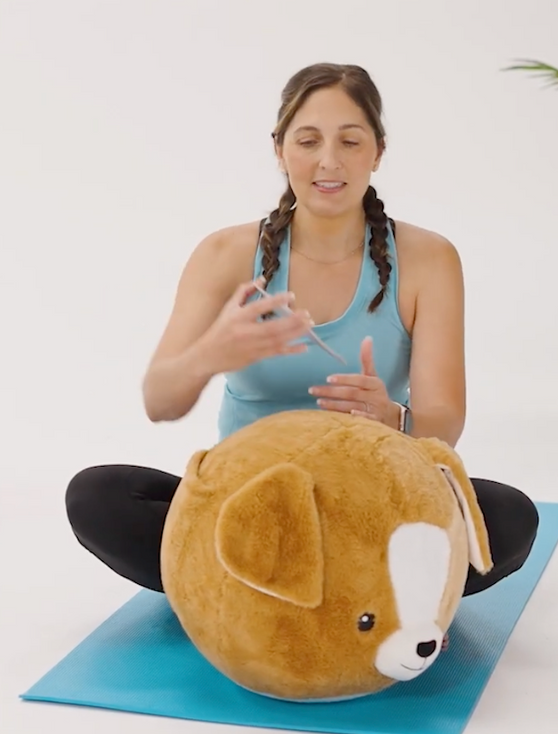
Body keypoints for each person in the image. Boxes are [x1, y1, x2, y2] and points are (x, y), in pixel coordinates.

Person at [65, 63, 540, 621]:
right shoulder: (224, 254)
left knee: (509, 516)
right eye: (308, 140)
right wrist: (211, 354)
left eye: (350, 141)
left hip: (368, 511)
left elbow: (445, 422)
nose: (329, 162)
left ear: (378, 152)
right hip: (244, 510)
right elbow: (160, 400)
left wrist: (393, 418)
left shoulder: (430, 259)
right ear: (280, 149)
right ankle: (348, 599)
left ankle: (254, 591)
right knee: (98, 496)